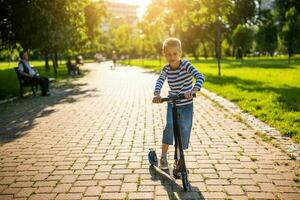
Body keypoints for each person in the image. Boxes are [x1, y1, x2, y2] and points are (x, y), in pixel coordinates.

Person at [152, 37, 205, 169]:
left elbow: (200, 76)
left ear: (180, 52)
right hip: (173, 103)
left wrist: (194, 89)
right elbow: (160, 81)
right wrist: (157, 94)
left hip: (186, 103)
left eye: (175, 53)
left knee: (184, 129)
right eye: (168, 54)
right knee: (170, 126)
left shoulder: (186, 65)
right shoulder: (166, 69)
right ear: (164, 54)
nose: (172, 57)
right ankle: (163, 156)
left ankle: (178, 159)